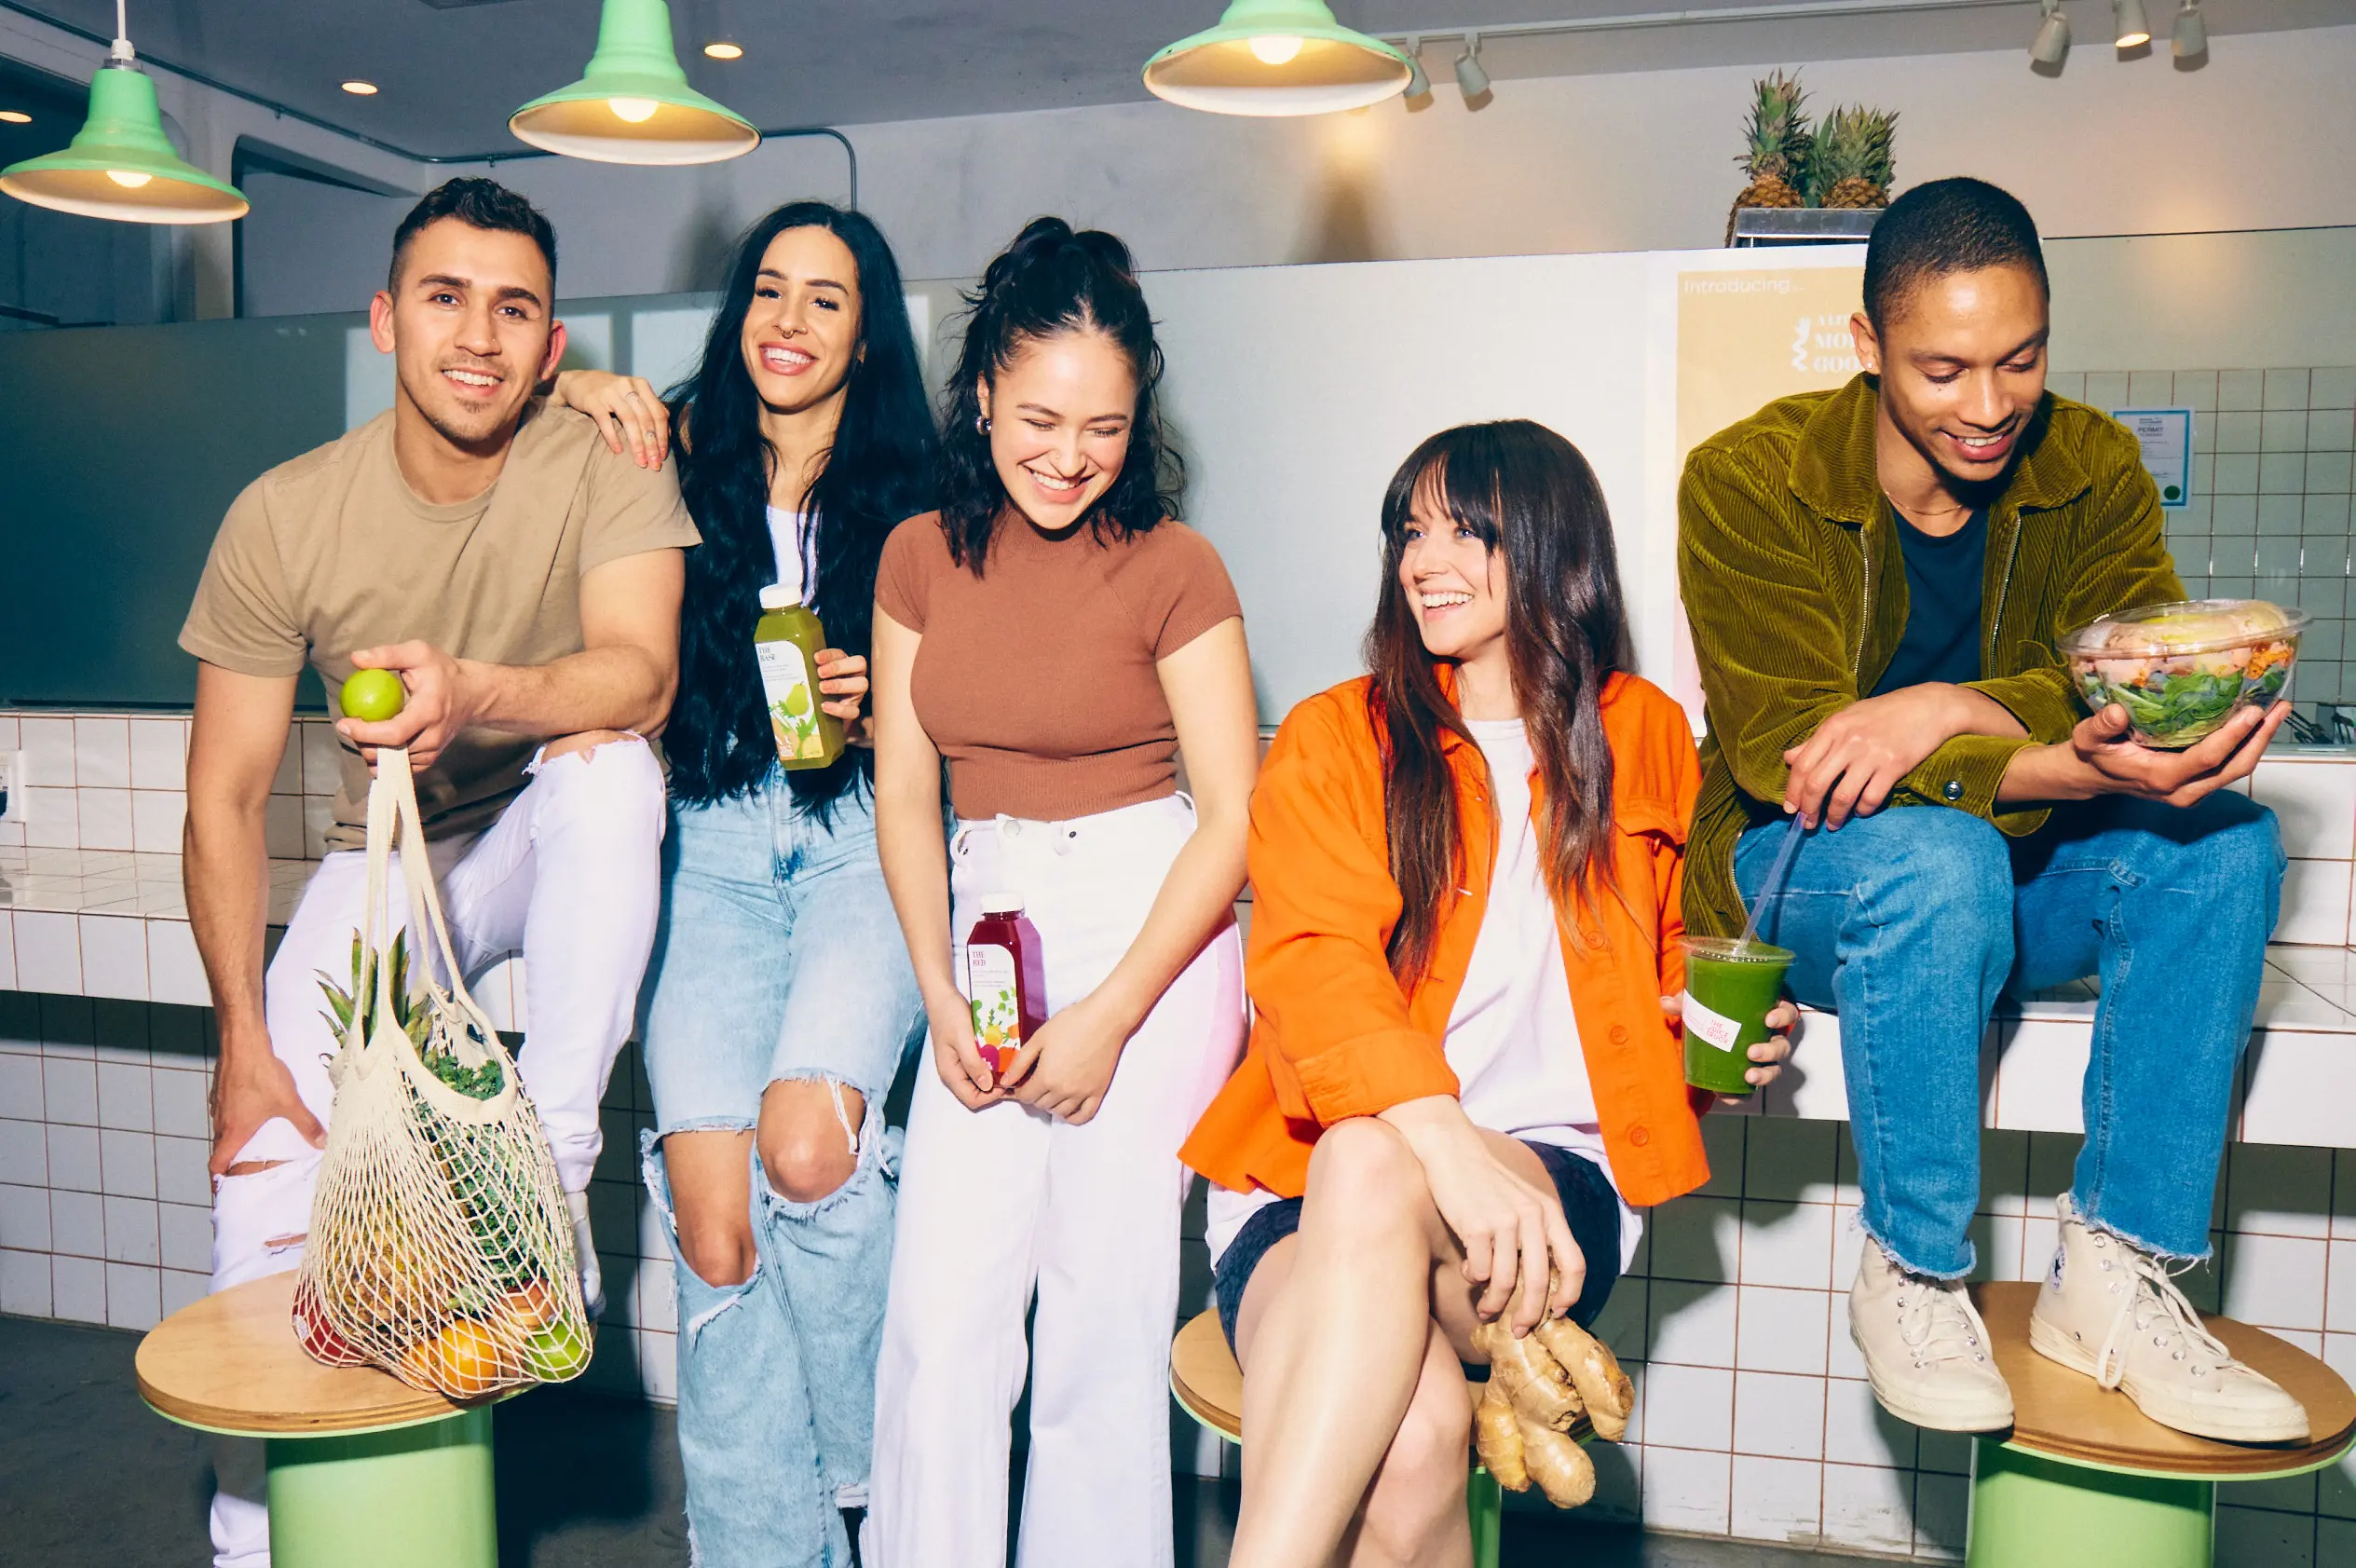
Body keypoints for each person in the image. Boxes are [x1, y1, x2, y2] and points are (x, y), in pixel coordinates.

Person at [1679, 176, 2304, 1441]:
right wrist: (2037, 743)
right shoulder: (1744, 478)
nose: (1986, 406)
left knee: (2229, 845)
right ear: (1867, 346)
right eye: (1942, 368)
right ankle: (1912, 1266)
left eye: (2018, 360)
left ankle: (2119, 1277)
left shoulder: (2092, 461)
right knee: (1939, 854)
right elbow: (1786, 749)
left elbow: (2133, 672)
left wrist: (1940, 706)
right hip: (1800, 868)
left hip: (2003, 876)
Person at [180, 177, 697, 1568]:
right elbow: (223, 795)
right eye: (445, 296)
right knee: (264, 1166)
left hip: (541, 821)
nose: (478, 334)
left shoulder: (607, 456)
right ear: (383, 319)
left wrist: (468, 687)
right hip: (392, 862)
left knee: (609, 767)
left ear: (550, 344)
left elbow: (639, 677)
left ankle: (557, 1163)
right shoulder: (286, 513)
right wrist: (239, 1040)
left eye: (515, 308)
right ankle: (252, 1536)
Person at [1183, 421, 1794, 1568]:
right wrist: (1446, 1149)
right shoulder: (1334, 738)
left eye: (1466, 529)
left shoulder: (1645, 735)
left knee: (1375, 1159)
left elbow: (1675, 960)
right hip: (1306, 1188)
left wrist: (1726, 1026)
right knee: (1413, 1440)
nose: (1425, 559)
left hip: (1544, 1194)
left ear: (1552, 545)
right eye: (1409, 532)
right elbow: (1312, 964)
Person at [865, 217, 1258, 1568]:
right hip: (981, 924)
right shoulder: (917, 553)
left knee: (1099, 1317)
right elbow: (906, 794)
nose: (1067, 454)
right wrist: (931, 984)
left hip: (1148, 927)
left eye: (1103, 426)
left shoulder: (1174, 566)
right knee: (941, 1313)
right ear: (980, 394)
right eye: (1038, 417)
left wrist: (1103, 1015)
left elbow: (1234, 819)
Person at [548, 202, 934, 1567]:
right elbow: (478, 392)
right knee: (715, 1230)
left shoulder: (926, 492)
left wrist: (895, 702)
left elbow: (995, 691)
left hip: (857, 843)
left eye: (826, 299)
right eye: (769, 291)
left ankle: (893, 1493)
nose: (789, 320)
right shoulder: (668, 446)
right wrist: (576, 377)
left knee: (810, 1155)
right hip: (706, 844)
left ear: (868, 328)